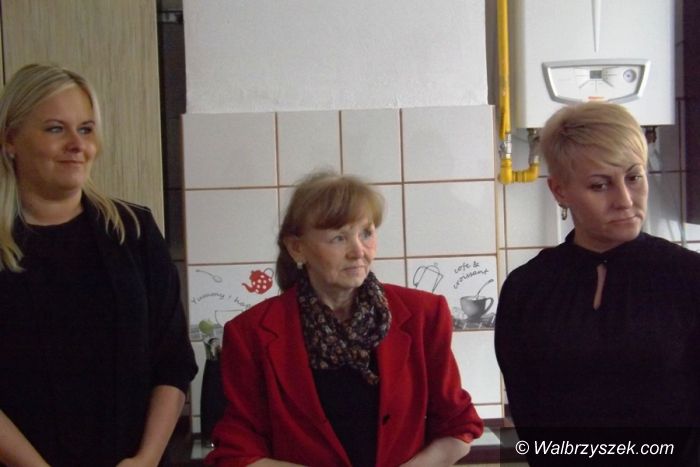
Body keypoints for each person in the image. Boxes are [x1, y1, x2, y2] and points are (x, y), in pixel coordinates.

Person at [206, 171, 483, 466]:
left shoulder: (423, 315)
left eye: (366, 233)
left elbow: (458, 427)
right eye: (338, 237)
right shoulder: (250, 333)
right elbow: (235, 453)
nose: (358, 251)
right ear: (297, 248)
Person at [0, 63, 197, 466]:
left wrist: (146, 459)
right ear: (10, 139)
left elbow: (173, 362)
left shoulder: (133, 231)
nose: (77, 144)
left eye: (86, 129)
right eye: (56, 128)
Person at [494, 102, 700, 464]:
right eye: (600, 185)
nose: (625, 200)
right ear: (560, 191)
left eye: (634, 177)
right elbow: (529, 410)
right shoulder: (527, 289)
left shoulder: (688, 278)